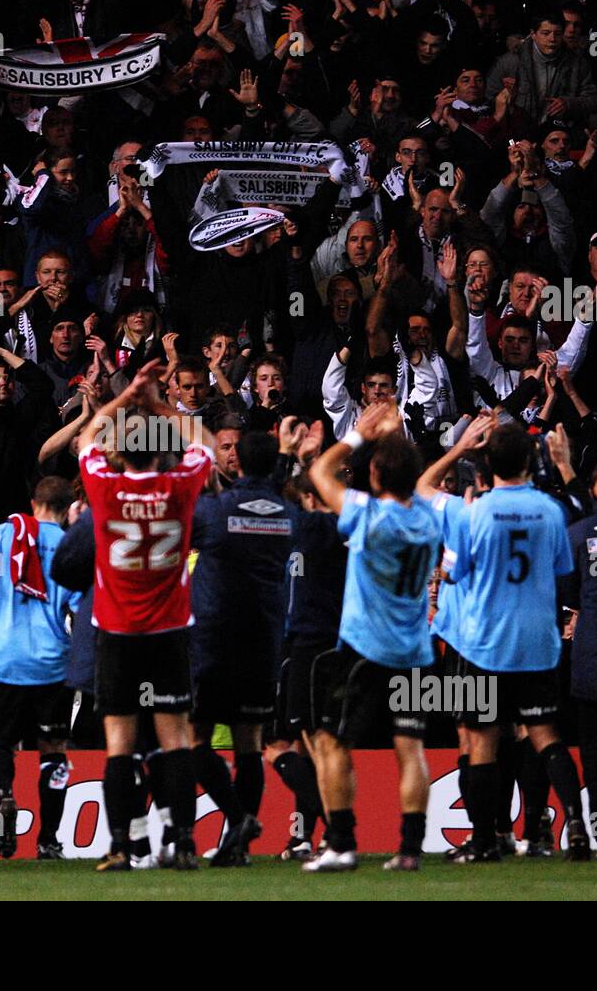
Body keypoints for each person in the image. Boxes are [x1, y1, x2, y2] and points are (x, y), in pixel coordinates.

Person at [76, 358, 214, 871]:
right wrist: (159, 401)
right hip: (170, 630)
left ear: (120, 454)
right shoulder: (180, 486)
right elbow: (207, 444)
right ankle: (180, 840)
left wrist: (125, 395)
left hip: (115, 630)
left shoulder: (104, 487)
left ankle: (126, 843)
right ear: (160, 450)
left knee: (120, 744)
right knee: (176, 736)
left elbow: (87, 438)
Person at [304, 401, 442, 872]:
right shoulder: (428, 519)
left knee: (330, 741)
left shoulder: (370, 516)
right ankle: (409, 850)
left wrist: (359, 435)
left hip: (365, 649)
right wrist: (395, 436)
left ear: (377, 475)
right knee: (410, 749)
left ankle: (341, 843)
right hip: (416, 650)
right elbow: (415, 482)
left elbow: (321, 472)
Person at [446, 422, 592, 863]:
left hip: (488, 642)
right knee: (546, 736)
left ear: (487, 465)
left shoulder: (476, 512)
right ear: (530, 462)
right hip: (538, 642)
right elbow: (562, 566)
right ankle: (577, 829)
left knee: (484, 740)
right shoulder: (549, 510)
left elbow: (453, 572)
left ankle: (488, 840)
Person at [187, 428, 297, 866]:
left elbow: (185, 533)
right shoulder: (289, 514)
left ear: (240, 463)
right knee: (249, 741)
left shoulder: (216, 511)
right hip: (264, 640)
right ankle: (240, 849)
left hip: (214, 639)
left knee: (195, 738)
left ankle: (236, 819)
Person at [0, 476, 81, 860]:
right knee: (53, 750)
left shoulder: (3, 534)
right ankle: (48, 840)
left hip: (4, 660)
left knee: (1, 745)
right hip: (51, 664)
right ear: (68, 509)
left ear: (34, 502)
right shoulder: (70, 545)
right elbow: (80, 609)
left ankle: (4, 799)